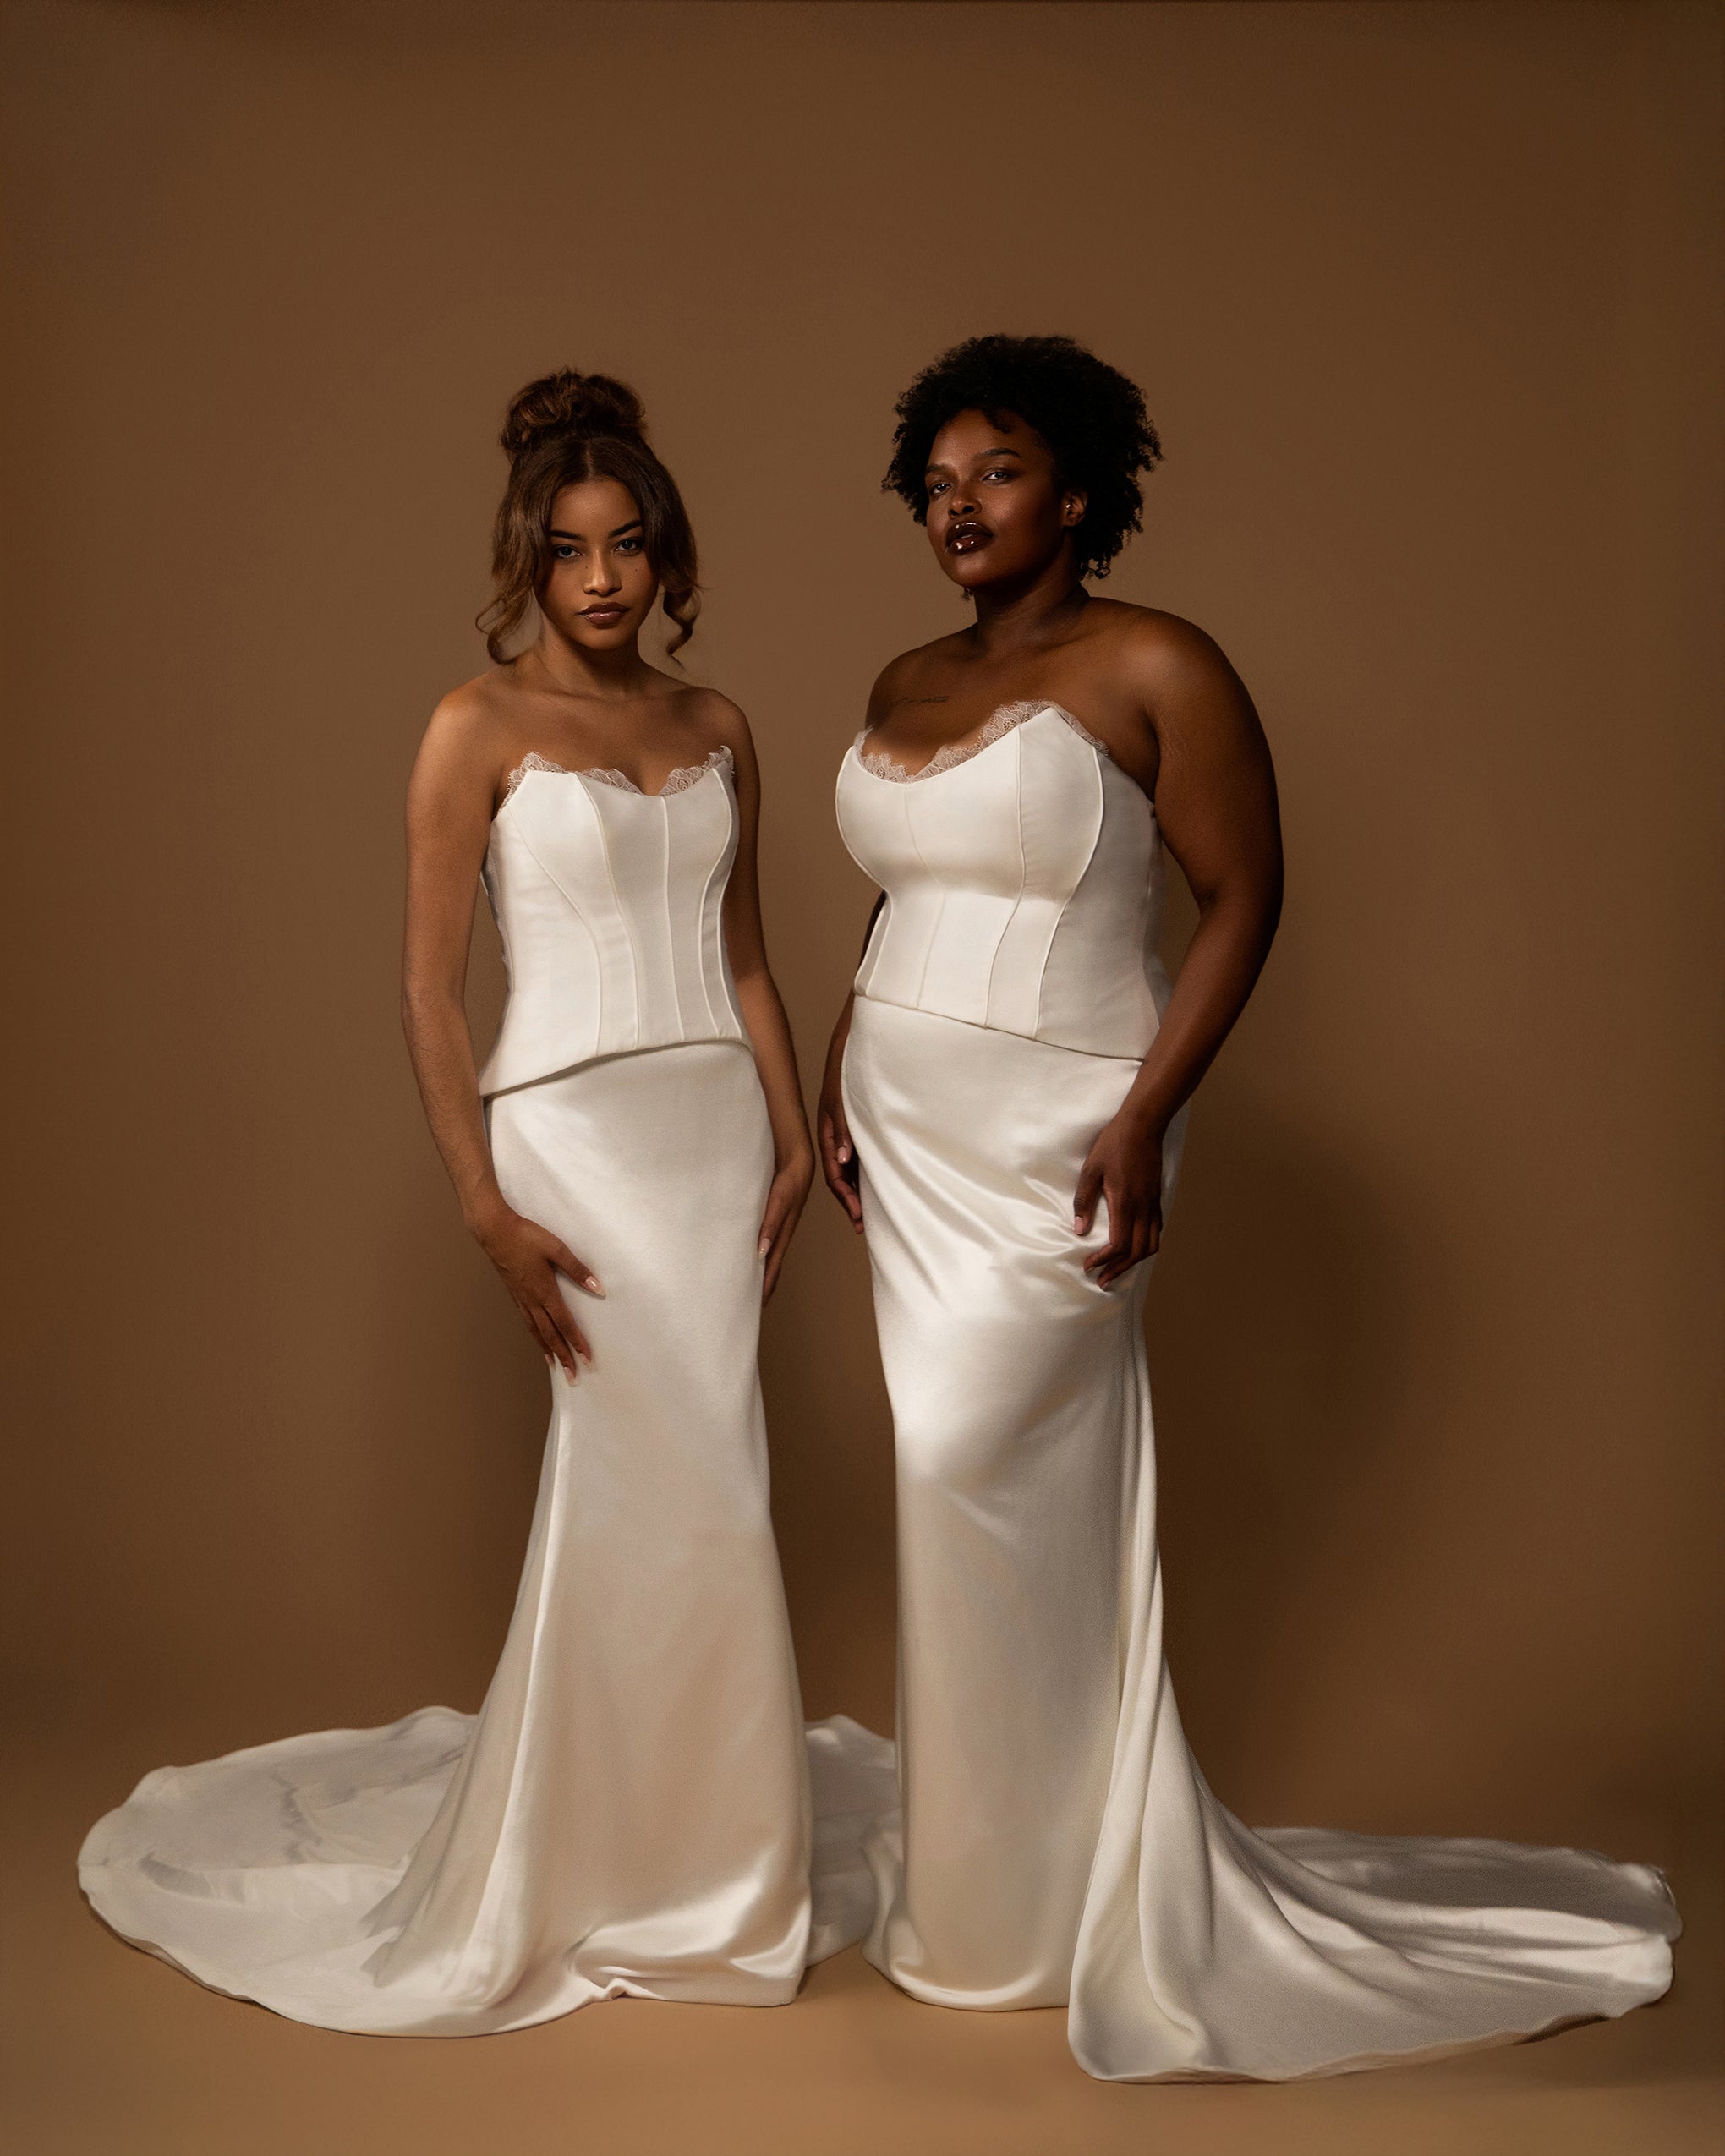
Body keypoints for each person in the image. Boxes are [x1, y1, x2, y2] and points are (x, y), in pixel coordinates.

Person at [819, 332, 1678, 2081]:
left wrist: (1147, 1113)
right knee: (952, 1483)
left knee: (977, 1454)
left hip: (1069, 1119)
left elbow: (1245, 894)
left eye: (997, 473)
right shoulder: (906, 674)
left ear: (1077, 493)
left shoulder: (1161, 661)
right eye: (939, 481)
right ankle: (993, 1890)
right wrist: (843, 1052)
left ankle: (1061, 1891)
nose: (960, 506)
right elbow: (904, 889)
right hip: (905, 1126)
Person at [79, 367, 884, 2034]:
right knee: (648, 1468)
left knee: (714, 1483)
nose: (602, 577)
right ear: (526, 554)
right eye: (570, 548)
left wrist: (790, 1129)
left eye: (629, 544)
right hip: (570, 1133)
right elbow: (430, 992)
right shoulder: (473, 727)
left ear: (667, 555)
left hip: (708, 1136)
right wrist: (478, 1201)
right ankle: (607, 1863)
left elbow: (743, 957)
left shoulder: (719, 725)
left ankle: (711, 1854)